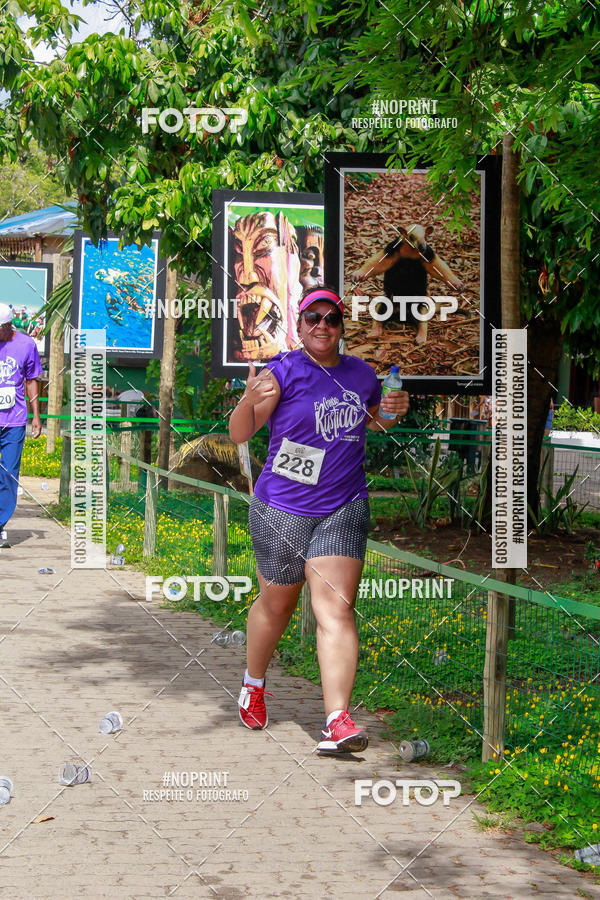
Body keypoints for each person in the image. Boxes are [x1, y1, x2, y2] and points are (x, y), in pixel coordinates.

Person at [228, 285, 409, 753]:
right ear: (300, 324)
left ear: (341, 326)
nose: (322, 326)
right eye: (314, 318)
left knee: (336, 609)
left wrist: (391, 413)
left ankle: (336, 720)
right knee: (279, 605)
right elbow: (240, 433)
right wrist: (248, 400)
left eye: (331, 318)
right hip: (282, 508)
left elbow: (371, 423)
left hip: (342, 505)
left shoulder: (361, 374)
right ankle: (253, 683)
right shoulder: (282, 371)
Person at [0, 302, 43, 548]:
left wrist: (36, 416)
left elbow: (31, 380)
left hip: (14, 421)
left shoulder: (26, 345)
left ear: (7, 326)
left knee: (8, 472)